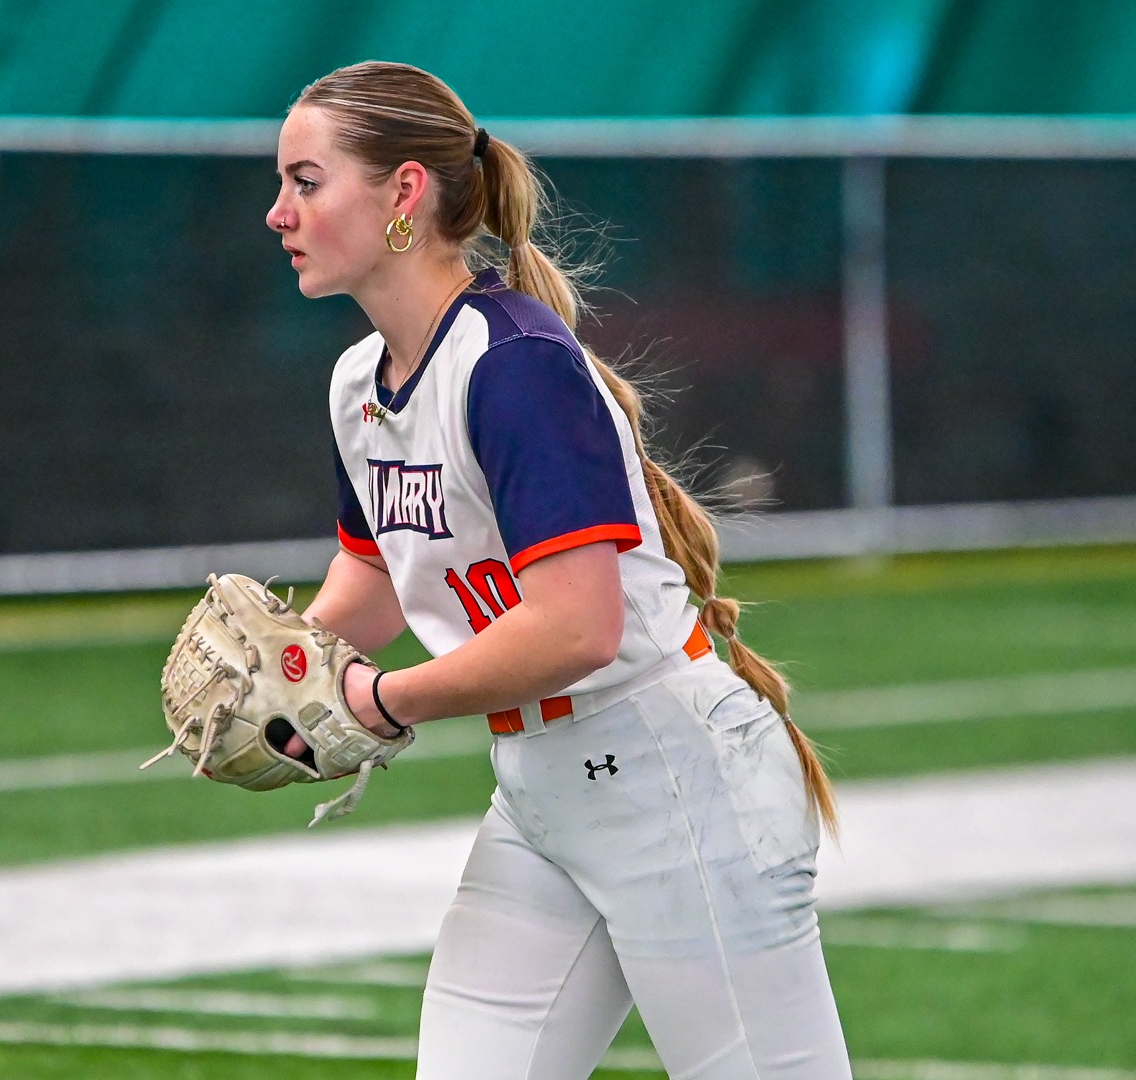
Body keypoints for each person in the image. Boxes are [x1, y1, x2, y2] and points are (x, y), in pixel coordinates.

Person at [266, 60, 851, 1080]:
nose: (279, 212)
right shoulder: (360, 378)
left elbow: (575, 628)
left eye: (306, 181)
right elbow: (370, 585)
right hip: (545, 794)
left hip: (675, 781)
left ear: (405, 192)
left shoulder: (513, 363)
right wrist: (276, 673)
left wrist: (382, 702)